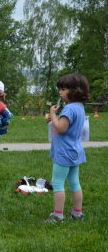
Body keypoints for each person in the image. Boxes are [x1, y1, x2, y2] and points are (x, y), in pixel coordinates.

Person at [44, 73, 89, 223]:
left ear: (74, 90)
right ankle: (77, 213)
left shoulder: (69, 109)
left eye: (63, 89)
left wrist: (52, 114)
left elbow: (61, 128)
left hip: (64, 152)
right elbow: (64, 125)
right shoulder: (79, 107)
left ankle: (57, 215)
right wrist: (55, 118)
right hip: (75, 151)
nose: (60, 92)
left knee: (57, 183)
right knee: (74, 183)